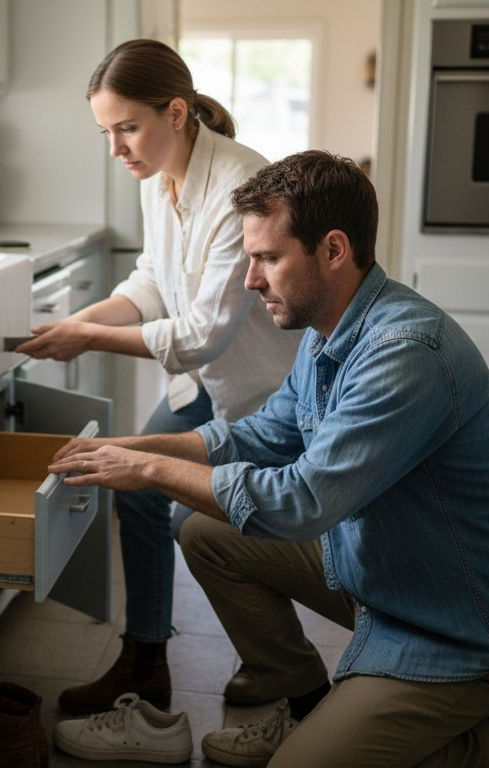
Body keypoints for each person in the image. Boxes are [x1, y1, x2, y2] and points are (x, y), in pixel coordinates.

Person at [46, 150, 489, 767]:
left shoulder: (405, 353)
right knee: (204, 530)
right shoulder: (327, 331)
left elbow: (300, 502)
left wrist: (151, 472)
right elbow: (256, 437)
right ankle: (308, 704)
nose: (251, 279)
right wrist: (134, 447)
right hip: (390, 570)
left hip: (461, 626)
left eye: (267, 258)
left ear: (334, 249)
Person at [15, 39, 301, 715]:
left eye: (127, 127)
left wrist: (87, 336)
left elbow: (204, 330)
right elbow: (151, 281)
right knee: (136, 491)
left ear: (176, 111)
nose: (116, 148)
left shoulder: (242, 188)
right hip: (206, 383)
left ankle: (276, 664)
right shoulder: (159, 179)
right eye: (106, 132)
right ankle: (146, 661)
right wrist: (80, 318)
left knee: (230, 523)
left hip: (263, 391)